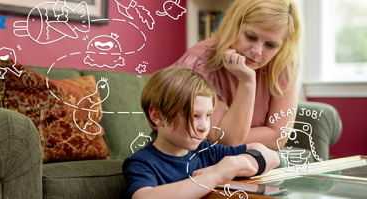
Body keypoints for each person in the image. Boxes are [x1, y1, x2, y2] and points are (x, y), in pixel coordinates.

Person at [122, 66, 280, 199]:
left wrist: (238, 164)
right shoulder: (142, 162)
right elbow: (143, 196)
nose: (204, 127)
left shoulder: (207, 151)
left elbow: (272, 157)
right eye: (194, 116)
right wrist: (214, 176)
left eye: (208, 116)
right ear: (157, 116)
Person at [172, 0, 304, 151]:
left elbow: (278, 138)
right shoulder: (199, 63)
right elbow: (223, 139)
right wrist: (247, 82)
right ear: (234, 23)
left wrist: (237, 137)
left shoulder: (281, 63)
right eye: (251, 37)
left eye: (270, 45)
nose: (257, 51)